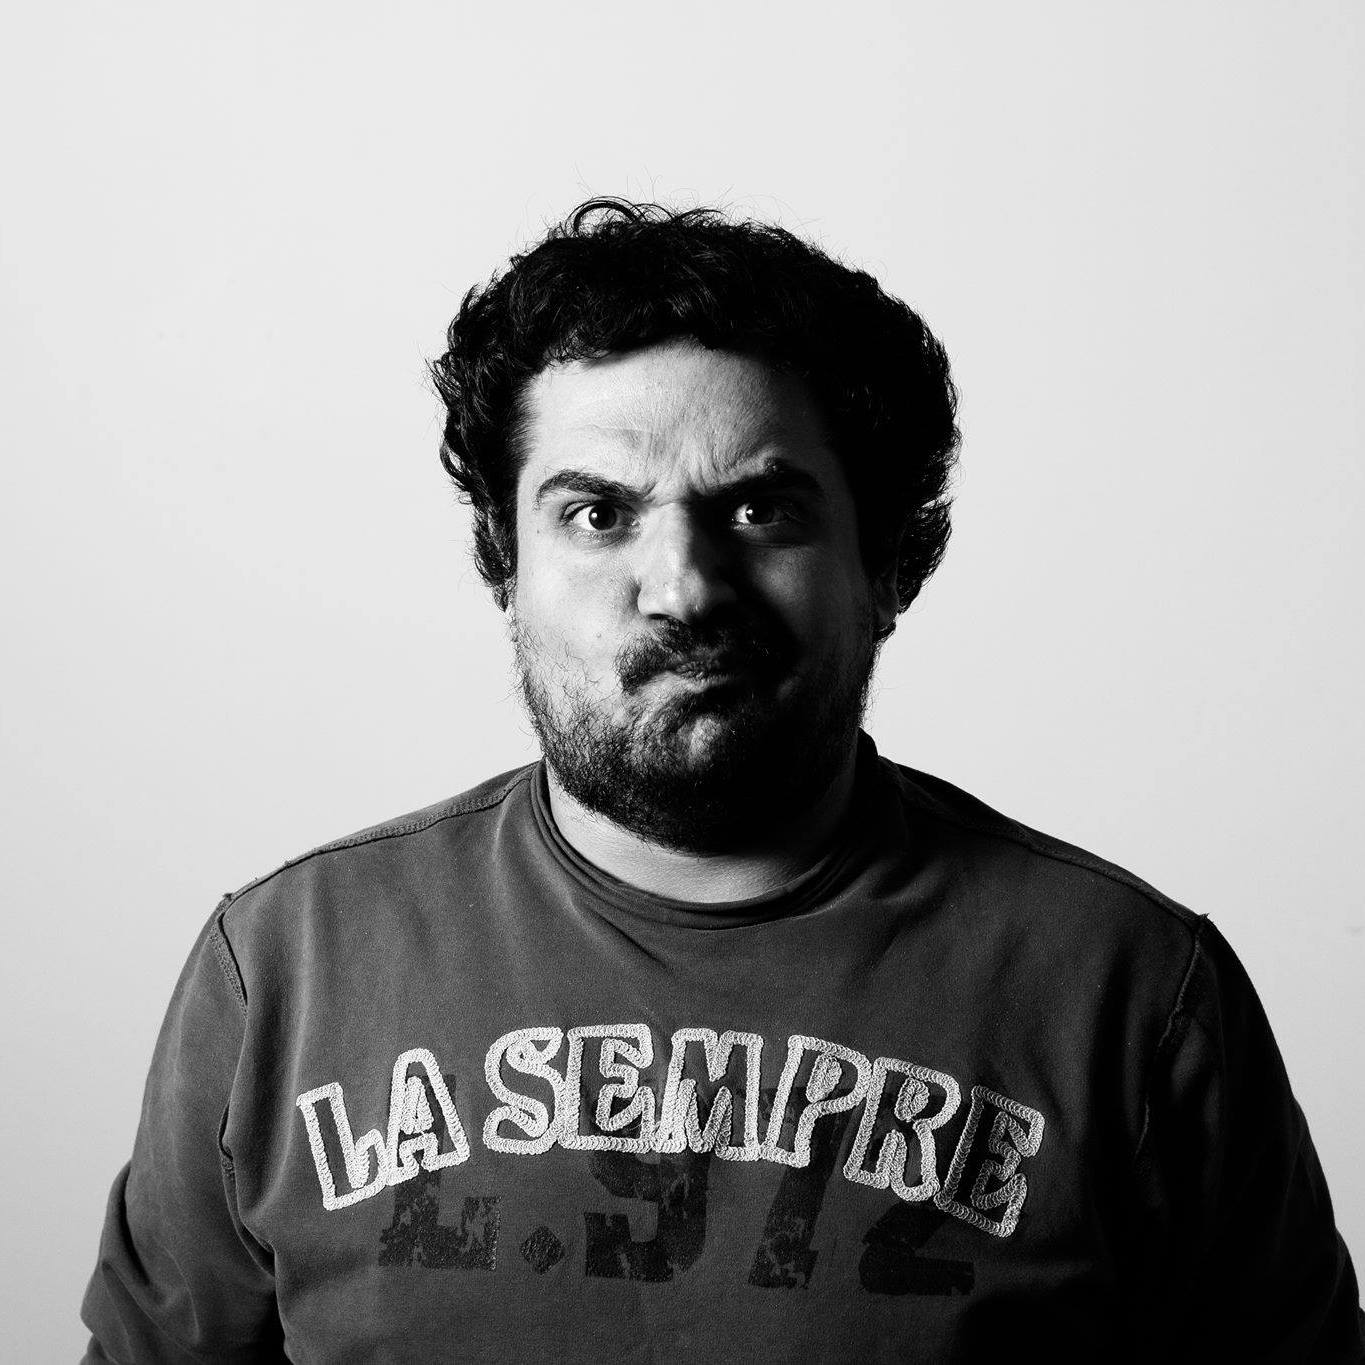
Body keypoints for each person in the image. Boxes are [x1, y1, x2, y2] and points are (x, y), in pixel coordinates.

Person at [81, 198, 1364, 1363]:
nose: (684, 587)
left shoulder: (1133, 997)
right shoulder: (285, 971)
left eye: (759, 510)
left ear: (890, 565)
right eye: (597, 514)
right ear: (503, 565)